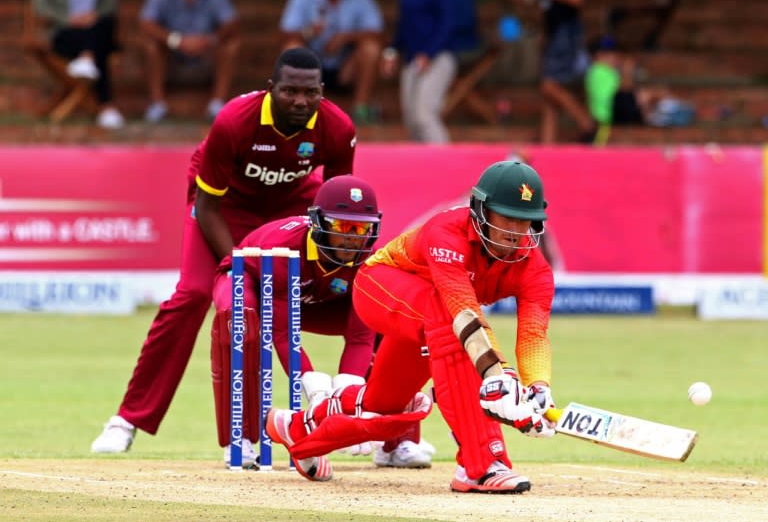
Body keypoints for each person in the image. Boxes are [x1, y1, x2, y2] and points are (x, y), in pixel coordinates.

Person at [90, 47, 357, 454]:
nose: (300, 101)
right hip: (223, 207)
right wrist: (241, 266)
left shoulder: (337, 128)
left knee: (365, 297)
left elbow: (337, 207)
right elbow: (207, 205)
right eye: (289, 92)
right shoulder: (235, 121)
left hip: (289, 207)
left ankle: (382, 431)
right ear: (271, 90)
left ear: (322, 91)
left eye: (310, 93)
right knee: (194, 295)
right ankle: (127, 419)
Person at [266, 160, 557, 493]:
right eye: (507, 217)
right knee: (451, 324)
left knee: (384, 411)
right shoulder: (446, 232)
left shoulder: (535, 270)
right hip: (379, 289)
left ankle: (298, 429)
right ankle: (480, 465)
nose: (516, 232)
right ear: (481, 211)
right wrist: (499, 376)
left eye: (526, 221)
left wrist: (537, 390)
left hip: (433, 320)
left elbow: (534, 335)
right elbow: (461, 308)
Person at [211, 174, 382, 471]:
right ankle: (240, 437)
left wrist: (349, 394)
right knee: (240, 322)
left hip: (313, 300)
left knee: (389, 321)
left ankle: (395, 442)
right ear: (320, 223)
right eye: (344, 226)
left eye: (362, 228)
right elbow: (281, 333)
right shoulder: (283, 250)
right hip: (252, 283)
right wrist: (313, 386)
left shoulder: (370, 262)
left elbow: (360, 337)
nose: (354, 237)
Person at [279, 0, 384, 125]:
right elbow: (285, 33)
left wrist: (346, 38)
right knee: (292, 48)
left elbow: (377, 33)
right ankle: (296, 107)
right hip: (312, 68)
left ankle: (361, 108)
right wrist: (309, 32)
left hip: (346, 67)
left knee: (371, 48)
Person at [138, 0, 241, 122]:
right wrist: (176, 41)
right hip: (172, 55)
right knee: (151, 45)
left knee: (232, 44)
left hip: (206, 54)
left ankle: (217, 103)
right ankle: (158, 103)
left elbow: (232, 23)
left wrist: (209, 40)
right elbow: (146, 24)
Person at [29, 0, 124, 129]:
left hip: (95, 29)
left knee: (104, 25)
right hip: (64, 32)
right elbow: (41, 6)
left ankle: (87, 59)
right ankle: (106, 107)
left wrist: (93, 15)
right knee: (99, 48)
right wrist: (69, 19)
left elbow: (111, 3)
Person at [509, 0, 596, 144]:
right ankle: (548, 145)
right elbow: (543, 5)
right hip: (553, 31)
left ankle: (587, 125)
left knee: (549, 85)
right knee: (548, 96)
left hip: (566, 31)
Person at [381, 0, 457, 144]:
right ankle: (423, 166)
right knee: (411, 119)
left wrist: (428, 54)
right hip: (412, 59)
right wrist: (392, 51)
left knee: (425, 114)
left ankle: (445, 160)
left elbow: (446, 24)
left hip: (438, 58)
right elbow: (403, 25)